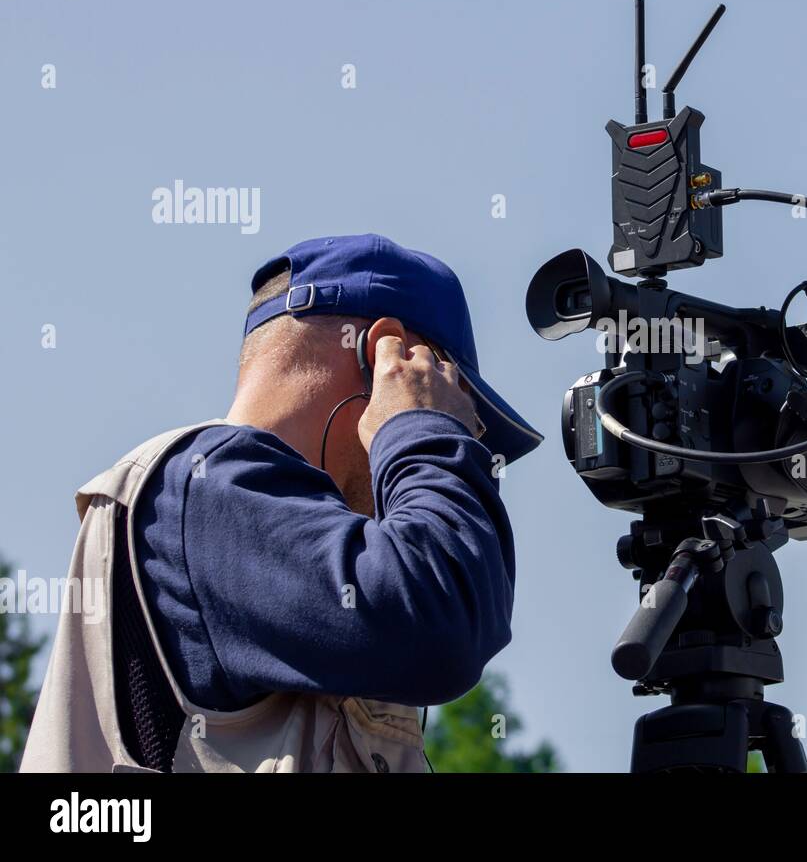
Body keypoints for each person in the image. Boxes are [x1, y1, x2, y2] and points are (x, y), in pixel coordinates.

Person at [21, 233, 541, 773]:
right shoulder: (205, 486)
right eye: (454, 409)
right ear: (387, 358)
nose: (465, 445)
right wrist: (422, 430)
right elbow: (442, 617)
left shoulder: (240, 516)